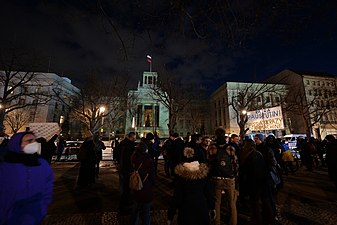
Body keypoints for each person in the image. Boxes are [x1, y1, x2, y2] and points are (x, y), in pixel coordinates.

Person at [0, 132, 54, 225]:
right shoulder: (5, 167)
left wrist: (43, 206)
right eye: (29, 141)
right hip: (8, 216)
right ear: (17, 144)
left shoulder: (42, 164)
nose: (34, 143)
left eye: (34, 140)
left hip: (34, 215)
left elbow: (47, 188)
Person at [167, 146, 215, 225]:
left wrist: (170, 215)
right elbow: (209, 193)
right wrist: (212, 207)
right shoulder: (203, 174)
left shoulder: (181, 176)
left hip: (185, 210)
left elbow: (177, 197)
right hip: (201, 208)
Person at [240, 139, 274, 225]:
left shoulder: (249, 156)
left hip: (254, 183)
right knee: (265, 202)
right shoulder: (258, 154)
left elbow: (247, 171)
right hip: (263, 182)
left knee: (255, 204)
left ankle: (257, 221)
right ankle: (269, 219)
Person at [209, 144, 238, 225]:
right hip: (229, 179)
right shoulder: (230, 148)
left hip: (217, 179)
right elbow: (235, 164)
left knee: (217, 202)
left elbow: (209, 163)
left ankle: (217, 222)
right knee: (231, 202)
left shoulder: (213, 148)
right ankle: (233, 222)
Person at [130, 142, 155, 225]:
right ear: (146, 150)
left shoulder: (133, 157)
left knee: (135, 207)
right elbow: (152, 175)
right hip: (146, 186)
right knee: (146, 210)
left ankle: (134, 222)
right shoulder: (148, 160)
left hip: (136, 184)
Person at [118, 132, 137, 214]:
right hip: (126, 169)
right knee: (126, 188)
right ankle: (123, 207)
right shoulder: (129, 145)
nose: (135, 139)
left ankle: (124, 204)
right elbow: (129, 159)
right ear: (131, 137)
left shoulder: (122, 143)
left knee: (124, 187)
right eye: (134, 138)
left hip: (122, 168)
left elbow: (117, 153)